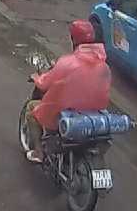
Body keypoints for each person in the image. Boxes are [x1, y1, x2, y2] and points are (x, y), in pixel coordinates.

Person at [23, 19, 111, 163]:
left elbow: (45, 84)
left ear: (73, 39)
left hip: (67, 113)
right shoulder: (104, 67)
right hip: (93, 114)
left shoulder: (67, 63)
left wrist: (36, 78)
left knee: (32, 110)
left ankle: (38, 153)